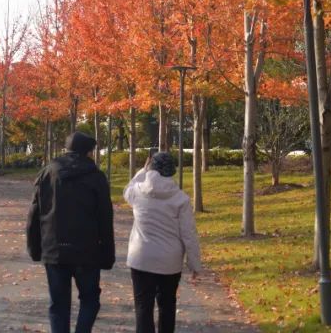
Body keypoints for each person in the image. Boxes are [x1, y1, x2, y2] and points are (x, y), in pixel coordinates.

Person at [27, 131, 115, 333]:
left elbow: (34, 212)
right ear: (89, 152)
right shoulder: (96, 177)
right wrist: (107, 255)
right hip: (87, 251)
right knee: (90, 300)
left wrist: (34, 248)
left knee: (58, 304)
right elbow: (105, 218)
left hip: (54, 249)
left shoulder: (47, 173)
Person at [123, 151, 202, 333]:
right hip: (170, 262)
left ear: (151, 168)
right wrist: (194, 264)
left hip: (141, 258)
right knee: (167, 305)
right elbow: (188, 234)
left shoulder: (138, 192)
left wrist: (143, 170)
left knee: (143, 306)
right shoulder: (180, 198)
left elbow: (128, 188)